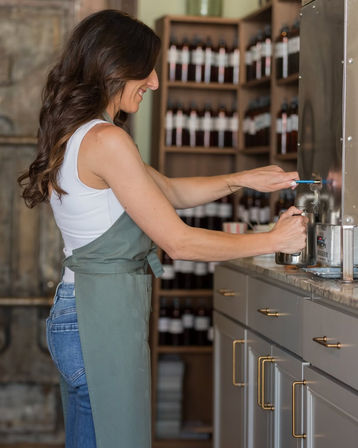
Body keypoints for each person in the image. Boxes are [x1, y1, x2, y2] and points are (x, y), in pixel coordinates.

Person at [17, 9, 307, 448]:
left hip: (85, 312)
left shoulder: (82, 133)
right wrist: (272, 241)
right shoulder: (105, 140)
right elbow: (178, 240)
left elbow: (167, 190)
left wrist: (241, 179)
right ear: (115, 66)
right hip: (98, 318)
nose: (154, 82)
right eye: (146, 69)